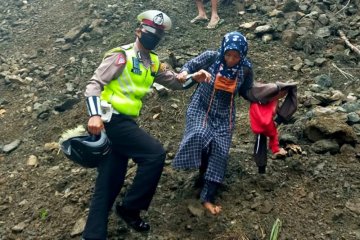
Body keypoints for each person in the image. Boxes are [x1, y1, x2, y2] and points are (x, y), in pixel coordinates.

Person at [82, 10, 210, 240]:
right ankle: (130, 208)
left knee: (110, 181)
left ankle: (93, 235)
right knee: (154, 154)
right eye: (150, 32)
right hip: (111, 120)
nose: (153, 38)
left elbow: (175, 83)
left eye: (158, 36)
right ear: (138, 31)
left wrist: (194, 78)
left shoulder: (152, 62)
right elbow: (94, 84)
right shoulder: (121, 56)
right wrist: (94, 114)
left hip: (124, 123)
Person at [172, 31, 254, 215]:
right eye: (228, 54)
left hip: (225, 114)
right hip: (201, 107)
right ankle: (199, 167)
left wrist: (266, 96)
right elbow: (191, 64)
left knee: (220, 152)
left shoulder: (246, 68)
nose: (231, 59)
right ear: (223, 50)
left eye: (236, 56)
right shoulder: (212, 57)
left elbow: (247, 90)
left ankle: (207, 196)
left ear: (242, 55)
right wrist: (184, 72)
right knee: (200, 134)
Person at [248, 81, 297, 174]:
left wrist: (276, 122)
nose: (283, 95)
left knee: (266, 138)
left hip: (268, 124)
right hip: (261, 124)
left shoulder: (274, 100)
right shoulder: (260, 100)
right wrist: (271, 125)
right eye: (283, 93)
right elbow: (262, 120)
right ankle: (261, 168)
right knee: (261, 140)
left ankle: (262, 167)